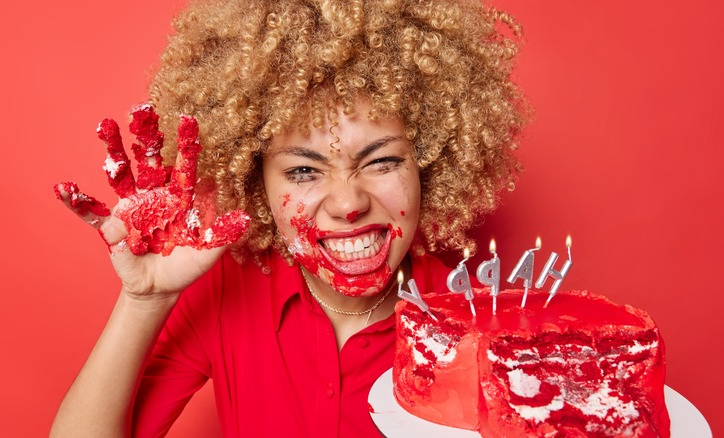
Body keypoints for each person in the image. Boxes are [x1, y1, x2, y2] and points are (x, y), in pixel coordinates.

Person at [50, 0, 525, 436]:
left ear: (429, 165)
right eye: (303, 170)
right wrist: (143, 301)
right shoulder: (223, 294)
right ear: (259, 186)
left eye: (381, 161)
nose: (347, 203)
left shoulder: (477, 326)